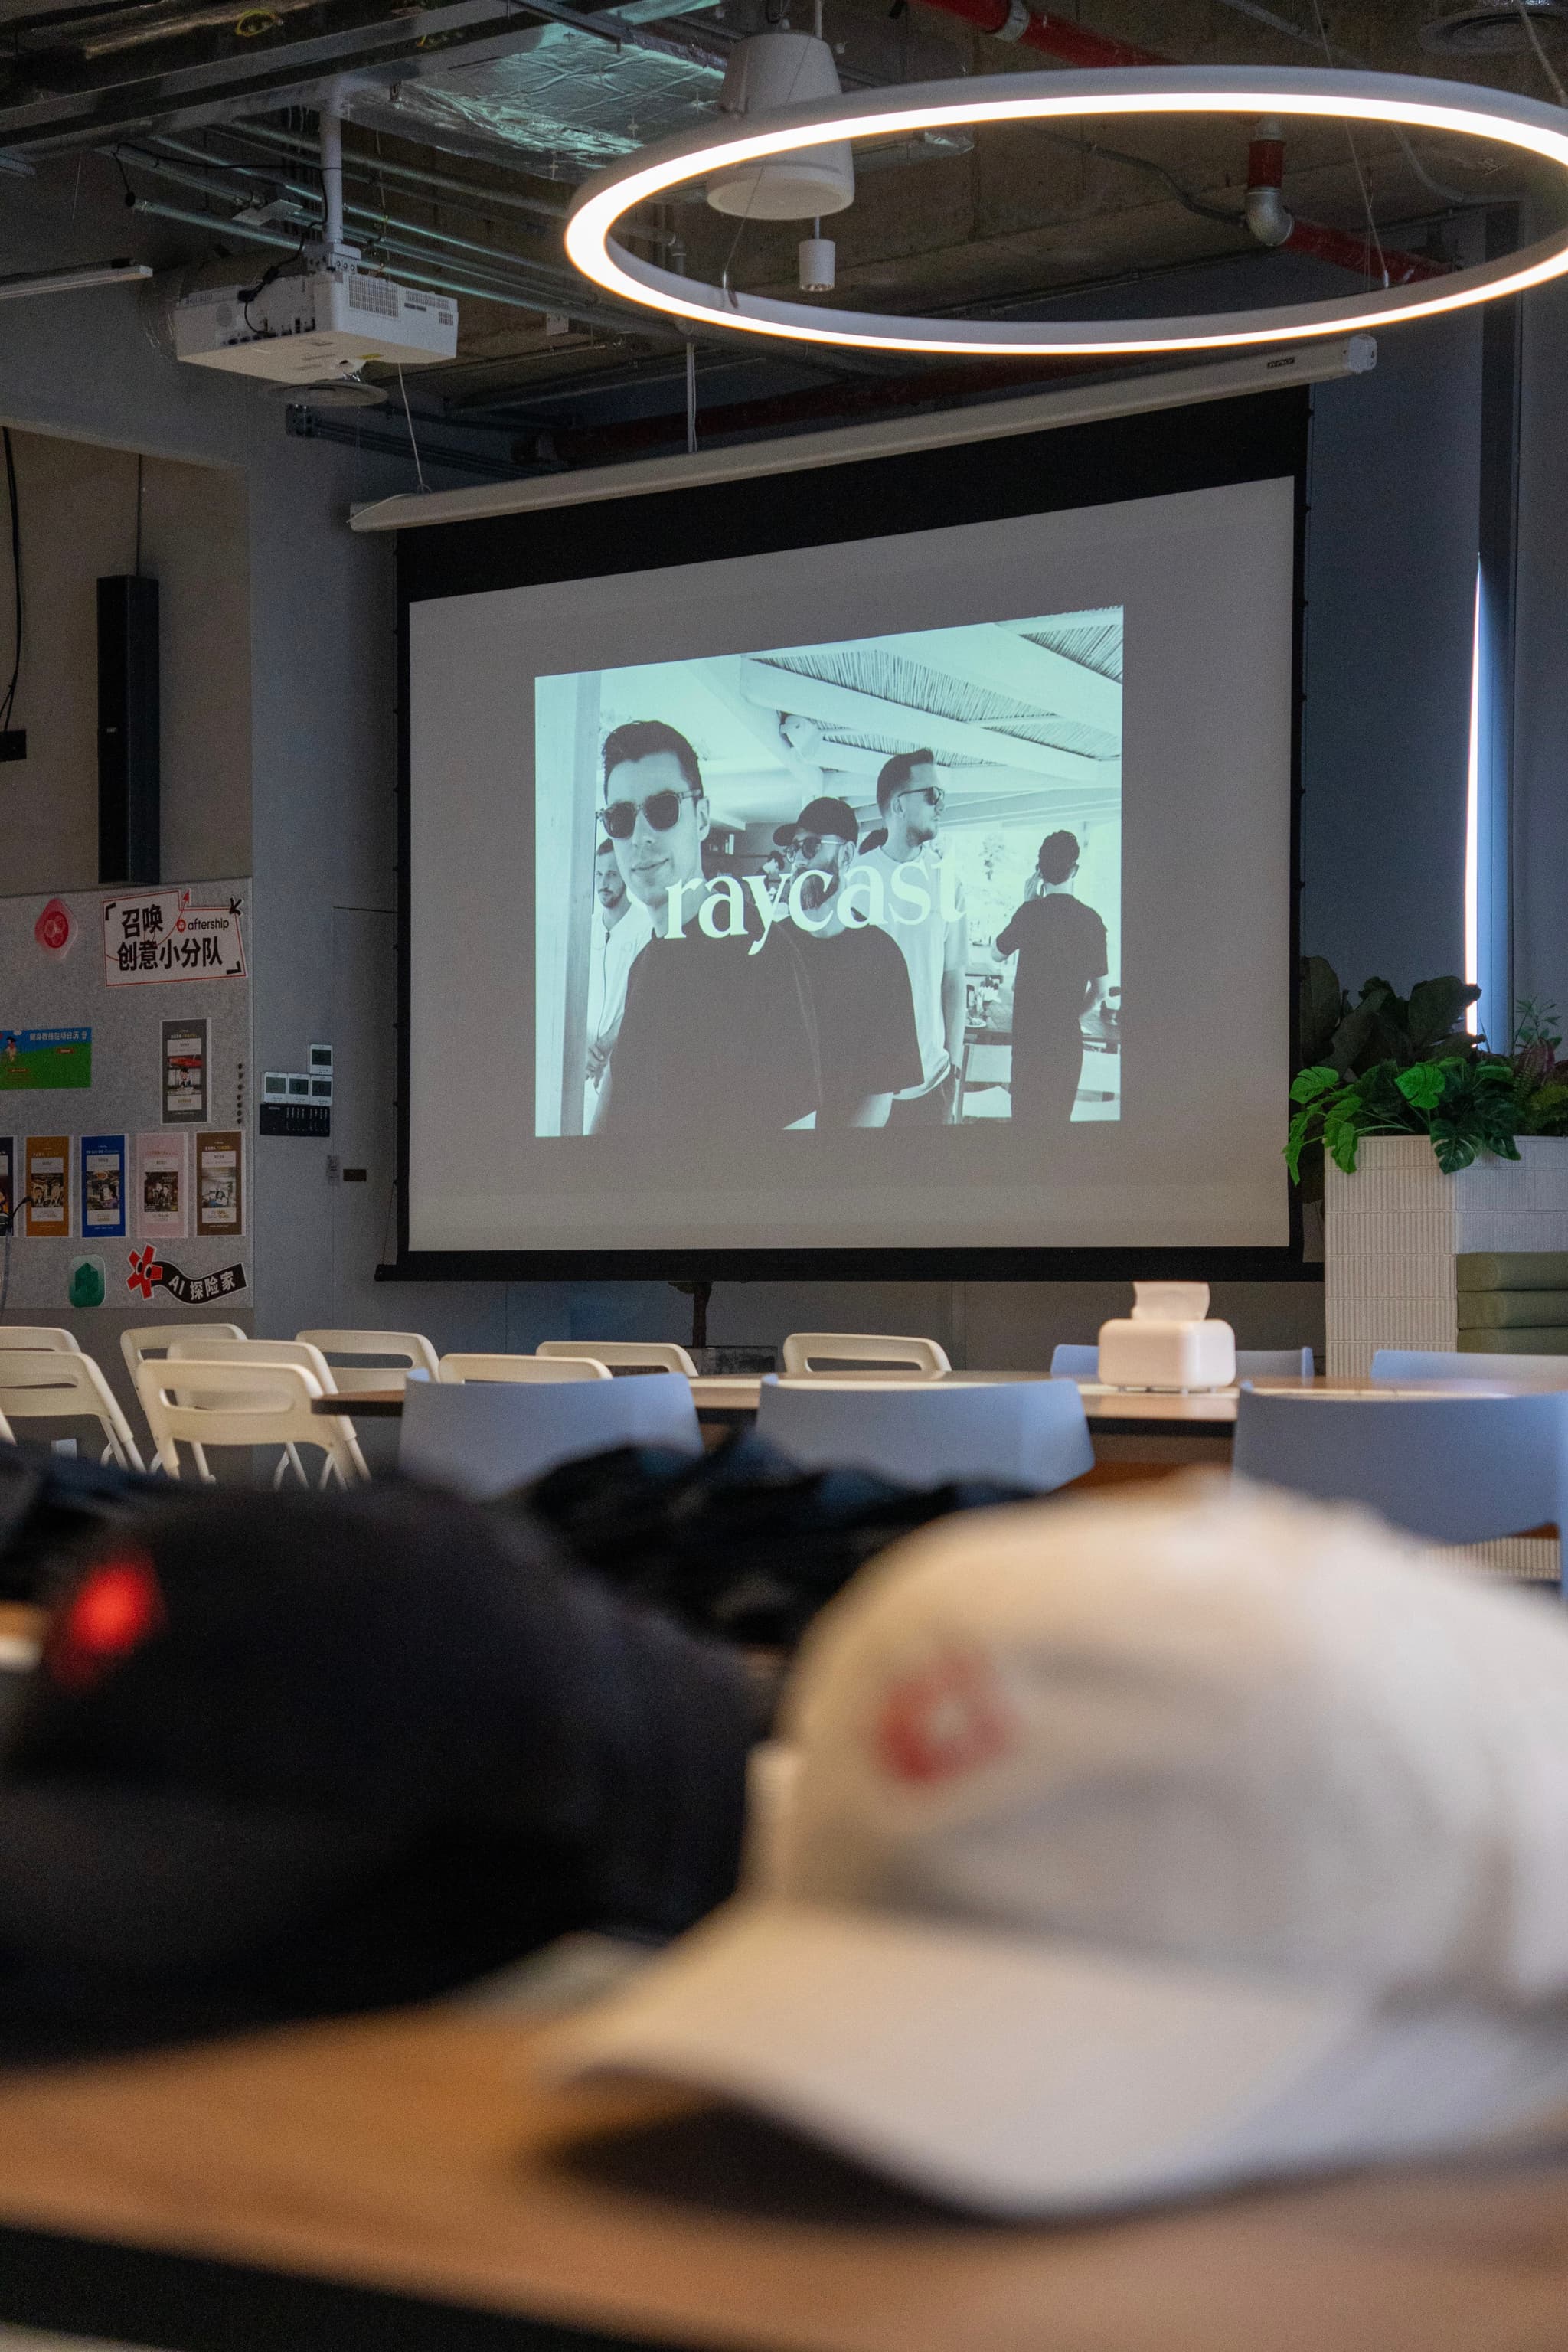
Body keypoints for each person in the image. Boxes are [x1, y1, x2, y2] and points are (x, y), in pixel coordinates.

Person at [595, 720, 818, 1138]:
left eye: (662, 810)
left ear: (701, 818)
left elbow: (794, 1140)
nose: (640, 837)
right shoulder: (645, 960)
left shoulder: (761, 953)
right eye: (620, 818)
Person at [776, 795, 921, 1128]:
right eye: (793, 850)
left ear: (846, 854)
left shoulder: (882, 957)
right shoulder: (772, 948)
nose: (797, 860)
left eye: (810, 847)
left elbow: (880, 1094)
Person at [851, 751, 969, 1125]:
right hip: (864, 1089)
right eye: (932, 795)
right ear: (899, 805)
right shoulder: (854, 880)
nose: (941, 806)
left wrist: (953, 1066)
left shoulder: (947, 881)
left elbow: (954, 978)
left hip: (932, 1085)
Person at [995, 828, 1109, 1133]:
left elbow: (996, 953)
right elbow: (1100, 993)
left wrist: (1028, 902)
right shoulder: (1092, 921)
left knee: (1024, 1125)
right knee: (1058, 1128)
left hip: (1028, 1041)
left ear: (1039, 871)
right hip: (1065, 1043)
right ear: (1075, 869)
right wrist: (1069, 1016)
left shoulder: (1029, 913)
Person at [583, 836, 652, 1128]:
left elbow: (641, 997)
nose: (603, 883)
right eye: (599, 874)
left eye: (612, 873)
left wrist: (605, 1046)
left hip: (621, 1056)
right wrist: (583, 1043)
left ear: (624, 874)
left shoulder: (645, 928)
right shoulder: (585, 927)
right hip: (584, 1056)